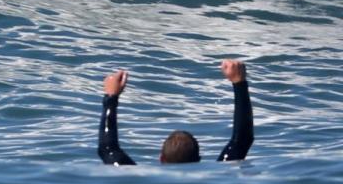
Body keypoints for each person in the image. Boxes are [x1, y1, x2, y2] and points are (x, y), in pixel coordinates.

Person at [97, 60, 254, 165]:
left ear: (161, 159)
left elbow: (108, 149)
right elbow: (241, 140)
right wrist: (239, 83)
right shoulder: (218, 179)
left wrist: (111, 97)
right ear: (198, 161)